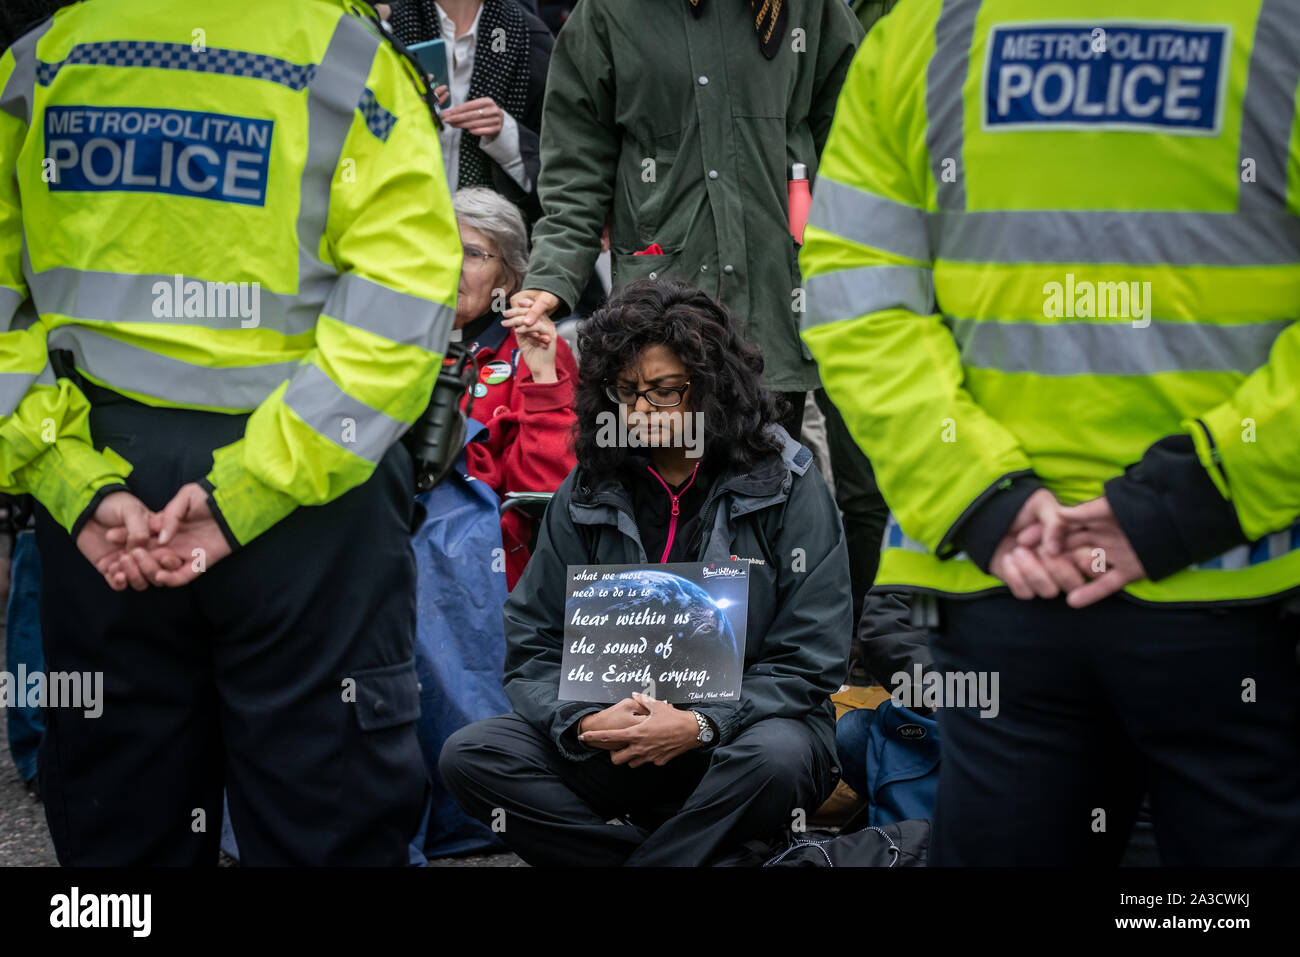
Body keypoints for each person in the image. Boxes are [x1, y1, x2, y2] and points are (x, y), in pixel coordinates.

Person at [800, 0, 1300, 865]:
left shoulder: (927, 33)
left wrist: (981, 495)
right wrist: (1201, 492)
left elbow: (858, 297)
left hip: (1004, 584)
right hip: (1238, 580)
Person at [0, 0, 460, 864]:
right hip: (310, 497)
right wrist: (244, 492)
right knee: (325, 815)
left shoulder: (45, 59)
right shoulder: (349, 57)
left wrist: (68, 476)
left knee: (117, 830)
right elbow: (401, 316)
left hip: (105, 491)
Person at [440, 279, 851, 866]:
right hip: (612, 735)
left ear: (713, 389)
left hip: (736, 742)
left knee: (779, 757)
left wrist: (702, 724)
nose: (640, 412)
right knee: (472, 754)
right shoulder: (586, 489)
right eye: (626, 392)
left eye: (665, 392)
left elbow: (811, 658)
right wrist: (582, 720)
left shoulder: (786, 480)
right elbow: (532, 645)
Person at [507, 0, 888, 629]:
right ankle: (684, 663)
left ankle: (828, 655)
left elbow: (858, 134)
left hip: (788, 295)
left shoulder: (806, 9)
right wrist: (552, 278)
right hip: (667, 319)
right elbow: (576, 166)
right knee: (676, 489)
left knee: (803, 492)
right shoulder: (607, 16)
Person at [451, 187, 577, 588]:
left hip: (494, 571)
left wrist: (543, 382)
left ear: (508, 275)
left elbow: (548, 488)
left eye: (472, 254)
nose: (450, 264)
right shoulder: (397, 341)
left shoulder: (534, 349)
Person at [387, 0, 553, 227]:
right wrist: (395, 110)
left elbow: (558, 172)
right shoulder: (383, 27)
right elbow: (345, 146)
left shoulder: (529, 36)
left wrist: (504, 132)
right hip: (396, 228)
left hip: (492, 241)